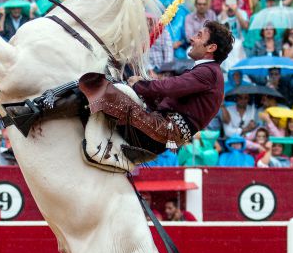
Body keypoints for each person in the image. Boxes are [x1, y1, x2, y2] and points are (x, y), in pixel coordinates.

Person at [78, 22, 233, 160]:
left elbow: (171, 88)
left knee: (104, 90)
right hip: (164, 130)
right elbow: (168, 93)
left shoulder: (208, 72)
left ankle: (93, 146)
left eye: (199, 36)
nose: (192, 38)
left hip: (164, 130)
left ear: (211, 47)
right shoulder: (209, 71)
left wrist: (139, 85)